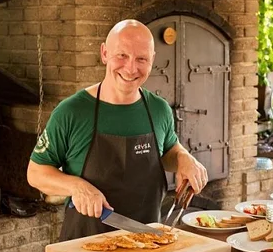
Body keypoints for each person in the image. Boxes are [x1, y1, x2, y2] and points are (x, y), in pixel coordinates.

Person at [26, 19, 208, 240]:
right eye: (122, 55)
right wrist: (76, 186)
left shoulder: (159, 109)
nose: (131, 68)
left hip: (148, 243)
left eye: (141, 59)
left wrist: (184, 159)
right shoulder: (71, 112)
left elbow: (168, 151)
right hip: (85, 247)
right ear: (104, 53)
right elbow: (36, 173)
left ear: (152, 60)